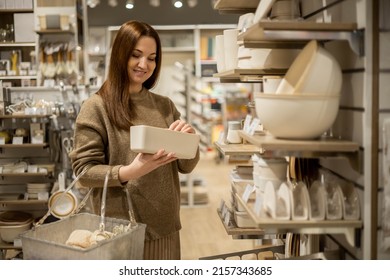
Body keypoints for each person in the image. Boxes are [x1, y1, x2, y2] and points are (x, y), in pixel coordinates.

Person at [69, 20, 200, 260]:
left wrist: (189, 142)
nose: (144, 64)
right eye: (136, 55)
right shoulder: (96, 107)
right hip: (120, 230)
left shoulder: (164, 105)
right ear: (120, 55)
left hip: (166, 226)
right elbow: (83, 173)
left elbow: (185, 165)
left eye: (152, 58)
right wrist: (131, 171)